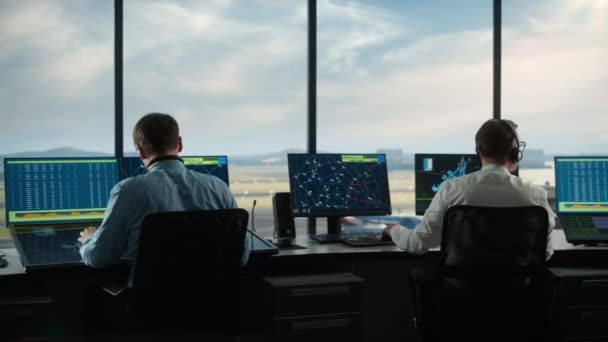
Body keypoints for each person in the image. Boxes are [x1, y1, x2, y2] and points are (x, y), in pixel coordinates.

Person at [78, 113, 248, 275]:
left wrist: (89, 239)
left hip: (154, 302)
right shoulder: (219, 188)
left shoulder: (128, 190)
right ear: (180, 144)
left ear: (140, 151)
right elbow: (242, 254)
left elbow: (98, 258)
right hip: (215, 301)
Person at [382, 119, 555, 259]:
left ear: (478, 151)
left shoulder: (451, 190)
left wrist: (394, 230)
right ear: (514, 153)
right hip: (518, 296)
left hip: (462, 296)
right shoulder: (536, 196)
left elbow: (417, 244)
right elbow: (545, 253)